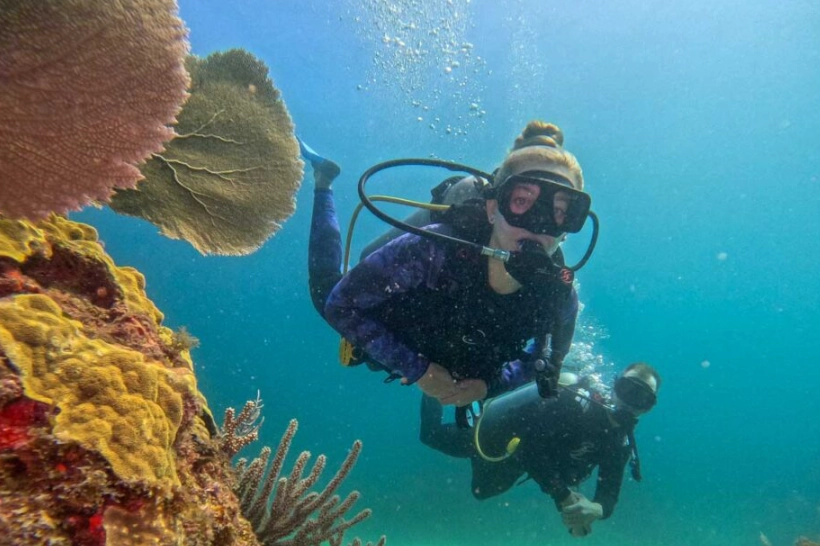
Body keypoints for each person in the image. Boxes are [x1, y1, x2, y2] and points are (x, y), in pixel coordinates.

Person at [306, 121, 587, 407]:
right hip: (398, 329)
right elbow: (340, 305)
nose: (538, 225)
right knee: (324, 292)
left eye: (559, 211)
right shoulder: (434, 250)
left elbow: (547, 363)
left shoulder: (558, 295)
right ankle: (323, 183)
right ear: (493, 209)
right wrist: (417, 368)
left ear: (567, 229)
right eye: (521, 201)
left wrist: (487, 387)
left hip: (455, 357)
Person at [419, 362, 661, 537]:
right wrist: (564, 498)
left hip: (523, 465)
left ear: (648, 408)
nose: (629, 403)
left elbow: (608, 495)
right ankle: (432, 378)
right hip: (497, 436)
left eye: (641, 399)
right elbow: (528, 448)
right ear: (614, 387)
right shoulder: (574, 405)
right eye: (627, 390)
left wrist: (593, 509)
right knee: (430, 436)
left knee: (482, 492)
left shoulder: (619, 445)